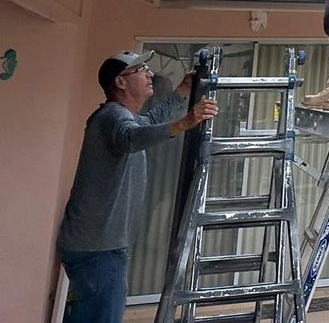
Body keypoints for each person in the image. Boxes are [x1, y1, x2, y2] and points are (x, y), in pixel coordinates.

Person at [57, 51, 218, 323]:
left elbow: (150, 123)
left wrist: (182, 91)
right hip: (97, 248)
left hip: (99, 245)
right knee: (102, 316)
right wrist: (187, 122)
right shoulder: (112, 117)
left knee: (95, 312)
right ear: (121, 82)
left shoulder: (123, 116)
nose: (150, 73)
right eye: (141, 69)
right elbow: (132, 138)